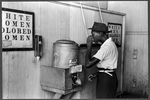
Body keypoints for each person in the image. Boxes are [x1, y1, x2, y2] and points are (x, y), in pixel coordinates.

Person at [85, 22, 118, 98]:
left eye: (93, 34)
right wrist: (97, 74)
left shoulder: (106, 47)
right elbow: (108, 65)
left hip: (106, 80)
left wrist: (89, 46)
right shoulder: (110, 44)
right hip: (108, 76)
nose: (92, 37)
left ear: (100, 33)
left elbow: (88, 64)